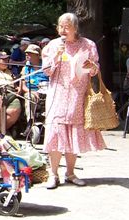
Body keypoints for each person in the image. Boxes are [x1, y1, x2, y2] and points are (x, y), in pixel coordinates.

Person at [41, 12, 105, 189]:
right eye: (60, 26)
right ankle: (53, 174)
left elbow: (95, 70)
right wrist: (55, 56)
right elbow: (46, 71)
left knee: (72, 134)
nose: (62, 30)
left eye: (66, 27)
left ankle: (70, 173)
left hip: (77, 95)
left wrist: (91, 66)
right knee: (56, 132)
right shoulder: (52, 46)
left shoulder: (88, 45)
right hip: (57, 95)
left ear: (75, 28)